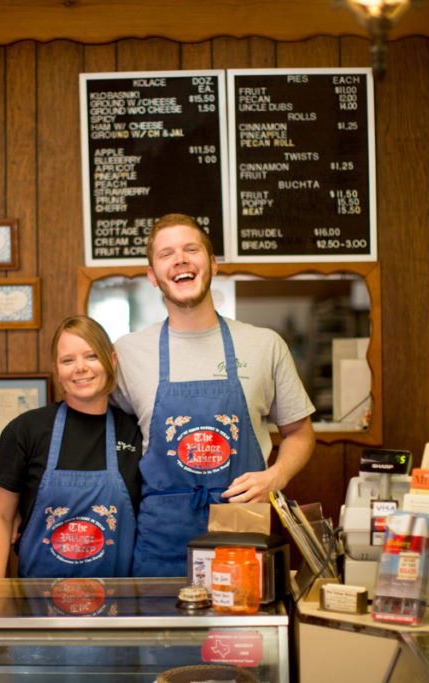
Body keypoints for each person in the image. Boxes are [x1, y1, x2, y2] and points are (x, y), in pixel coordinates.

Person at [112, 213, 316, 577]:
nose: (181, 260)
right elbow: (101, 432)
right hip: (161, 540)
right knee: (162, 635)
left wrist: (276, 476)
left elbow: (299, 431)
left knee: (239, 633)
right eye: (166, 254)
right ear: (152, 275)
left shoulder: (263, 345)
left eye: (192, 249)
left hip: (242, 530)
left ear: (213, 264)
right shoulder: (127, 354)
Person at [0, 315, 142, 578]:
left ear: (111, 361)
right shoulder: (26, 431)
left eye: (91, 356)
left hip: (117, 606)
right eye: (68, 360)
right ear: (57, 370)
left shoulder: (135, 433)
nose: (80, 367)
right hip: (38, 606)